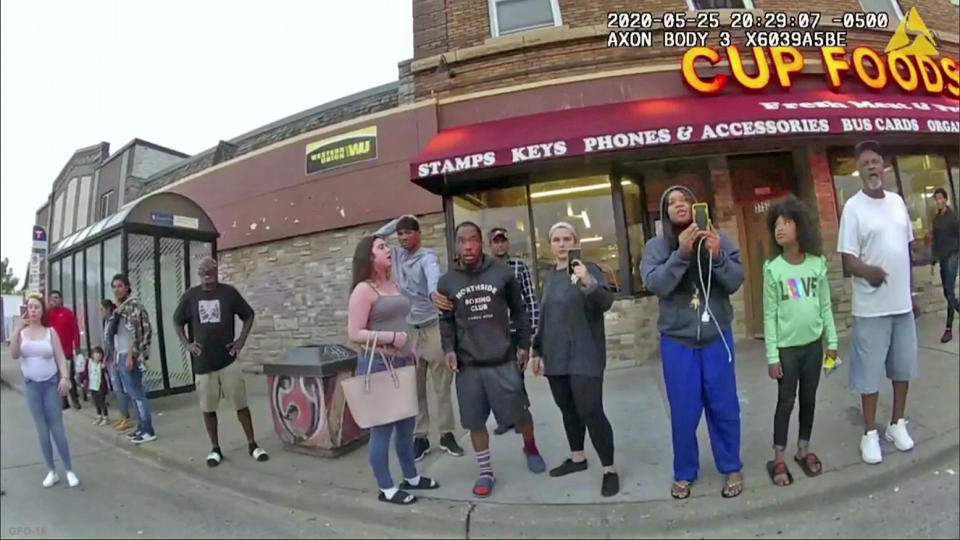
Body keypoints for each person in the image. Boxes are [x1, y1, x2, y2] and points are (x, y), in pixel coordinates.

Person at [640, 186, 745, 500]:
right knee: (684, 412)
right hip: (678, 342)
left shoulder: (719, 238)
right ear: (665, 214)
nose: (679, 205)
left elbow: (735, 280)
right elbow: (657, 284)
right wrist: (682, 254)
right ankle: (685, 471)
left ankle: (731, 466)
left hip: (716, 337)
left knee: (724, 407)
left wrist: (716, 257)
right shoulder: (656, 247)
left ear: (696, 206)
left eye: (684, 199)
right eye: (671, 203)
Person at [437, 222, 544, 499]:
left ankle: (530, 447)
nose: (468, 246)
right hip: (468, 366)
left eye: (473, 240)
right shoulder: (447, 282)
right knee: (474, 422)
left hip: (502, 360)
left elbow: (519, 312)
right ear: (456, 246)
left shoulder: (502, 273)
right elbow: (446, 322)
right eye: (463, 241)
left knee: (520, 414)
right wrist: (448, 349)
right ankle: (485, 472)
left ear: (481, 243)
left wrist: (524, 344)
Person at [837, 140, 918, 464]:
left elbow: (907, 247)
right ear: (859, 170)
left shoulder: (897, 202)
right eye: (866, 162)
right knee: (869, 375)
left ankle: (897, 424)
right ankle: (869, 432)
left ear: (883, 166)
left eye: (876, 161)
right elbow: (847, 260)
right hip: (871, 309)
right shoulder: (854, 208)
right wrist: (868, 271)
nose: (872, 166)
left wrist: (909, 288)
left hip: (901, 306)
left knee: (903, 369)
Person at [347, 235, 439, 505]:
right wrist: (391, 338)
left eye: (387, 246)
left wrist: (409, 349)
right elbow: (353, 332)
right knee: (383, 429)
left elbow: (400, 320)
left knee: (406, 425)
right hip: (377, 364)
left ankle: (411, 477)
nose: (389, 249)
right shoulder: (363, 290)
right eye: (381, 247)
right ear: (368, 256)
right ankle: (386, 487)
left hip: (401, 362)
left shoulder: (393, 285)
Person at [530, 222, 619, 497]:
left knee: (591, 409)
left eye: (567, 238)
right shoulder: (549, 276)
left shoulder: (589, 269)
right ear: (550, 244)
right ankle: (578, 458)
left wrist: (587, 281)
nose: (562, 244)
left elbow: (605, 302)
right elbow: (545, 317)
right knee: (568, 409)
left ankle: (609, 469)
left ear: (576, 241)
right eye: (556, 239)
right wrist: (536, 349)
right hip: (556, 356)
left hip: (585, 355)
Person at [762, 198, 838, 486]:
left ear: (800, 226)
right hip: (786, 350)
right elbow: (769, 315)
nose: (780, 229)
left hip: (813, 347)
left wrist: (831, 343)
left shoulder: (816, 265)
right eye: (776, 224)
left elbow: (825, 306)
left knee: (809, 399)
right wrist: (772, 356)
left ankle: (803, 449)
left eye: (787, 222)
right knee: (785, 401)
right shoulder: (772, 269)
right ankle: (779, 458)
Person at [375, 215, 462, 461]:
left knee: (441, 385)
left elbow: (433, 278)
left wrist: (435, 293)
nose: (402, 238)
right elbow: (373, 240)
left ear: (418, 234)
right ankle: (420, 437)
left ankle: (446, 434)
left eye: (407, 233)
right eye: (399, 234)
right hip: (409, 330)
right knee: (415, 387)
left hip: (432, 327)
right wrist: (397, 221)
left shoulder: (428, 258)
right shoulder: (396, 255)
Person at [173, 256, 268, 466]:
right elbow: (177, 321)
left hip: (227, 361)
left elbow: (248, 315)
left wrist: (240, 342)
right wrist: (187, 344)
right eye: (203, 269)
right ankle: (215, 449)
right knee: (208, 409)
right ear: (199, 274)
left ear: (217, 271)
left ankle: (253, 444)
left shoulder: (229, 293)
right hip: (203, 364)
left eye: (211, 268)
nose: (207, 272)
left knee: (241, 405)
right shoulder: (191, 296)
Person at [10, 295, 80, 488]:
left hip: (50, 384)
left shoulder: (50, 332)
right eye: (30, 307)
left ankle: (68, 470)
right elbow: (15, 354)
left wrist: (64, 378)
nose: (33, 310)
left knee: (57, 428)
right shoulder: (22, 334)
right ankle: (51, 471)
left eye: (36, 307)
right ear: (26, 310)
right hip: (32, 386)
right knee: (42, 430)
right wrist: (17, 329)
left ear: (42, 311)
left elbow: (60, 357)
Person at [112, 273, 158, 445]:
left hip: (131, 356)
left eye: (120, 286)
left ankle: (148, 429)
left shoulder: (134, 306)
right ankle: (140, 427)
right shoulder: (121, 307)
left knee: (138, 394)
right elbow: (119, 336)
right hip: (122, 354)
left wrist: (132, 356)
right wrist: (117, 355)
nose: (117, 290)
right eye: (114, 286)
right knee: (132, 394)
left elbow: (136, 334)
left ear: (127, 287)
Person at [930, 187, 960, 343]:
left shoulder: (953, 217)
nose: (939, 201)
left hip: (953, 256)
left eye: (941, 198)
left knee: (949, 292)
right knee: (946, 293)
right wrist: (933, 259)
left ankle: (948, 329)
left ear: (946, 199)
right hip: (942, 257)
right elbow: (935, 240)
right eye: (936, 199)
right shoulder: (936, 219)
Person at [101, 299, 134, 432]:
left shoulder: (115, 321)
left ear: (109, 309)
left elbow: (114, 341)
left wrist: (113, 356)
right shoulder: (108, 322)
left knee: (120, 388)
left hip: (115, 357)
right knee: (116, 388)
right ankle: (123, 415)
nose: (101, 312)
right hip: (110, 358)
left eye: (102, 309)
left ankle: (126, 417)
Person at [47, 290, 81, 410]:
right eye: (52, 298)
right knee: (57, 377)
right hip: (52, 351)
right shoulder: (48, 314)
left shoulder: (68, 313)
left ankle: (75, 399)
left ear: (61, 299)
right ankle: (64, 401)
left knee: (69, 376)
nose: (54, 300)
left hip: (66, 351)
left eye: (56, 298)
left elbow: (75, 330)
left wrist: (77, 346)